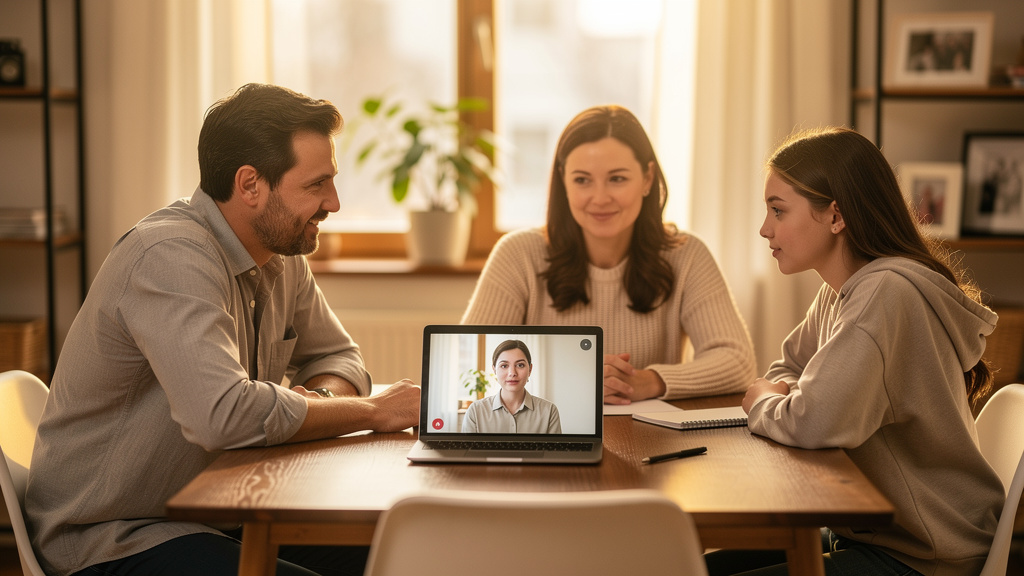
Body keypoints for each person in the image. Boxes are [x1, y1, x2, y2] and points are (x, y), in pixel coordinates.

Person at [25, 83, 420, 576]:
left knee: (404, 554)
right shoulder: (168, 256)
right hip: (113, 534)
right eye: (317, 184)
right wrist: (371, 411)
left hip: (220, 512)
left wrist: (318, 400)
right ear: (250, 184)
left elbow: (341, 357)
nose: (334, 203)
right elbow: (222, 415)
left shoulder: (280, 252)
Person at [706, 127, 1003, 576]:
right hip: (881, 530)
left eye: (778, 210)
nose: (764, 228)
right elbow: (787, 367)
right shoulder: (842, 290)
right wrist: (789, 397)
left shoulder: (884, 294)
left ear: (836, 216)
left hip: (925, 552)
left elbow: (813, 420)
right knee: (698, 565)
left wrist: (767, 402)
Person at [461, 105, 755, 404]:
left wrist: (650, 381)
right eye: (582, 180)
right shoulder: (517, 255)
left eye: (617, 179)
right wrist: (567, 381)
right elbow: (469, 369)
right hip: (542, 431)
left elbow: (736, 362)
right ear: (563, 181)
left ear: (647, 178)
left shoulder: (687, 255)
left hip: (650, 438)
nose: (600, 198)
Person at [461, 339, 561, 434]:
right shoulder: (475, 411)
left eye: (520, 365)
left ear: (530, 370)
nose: (512, 373)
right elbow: (467, 452)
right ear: (494, 370)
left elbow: (554, 452)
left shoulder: (549, 411)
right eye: (504, 366)